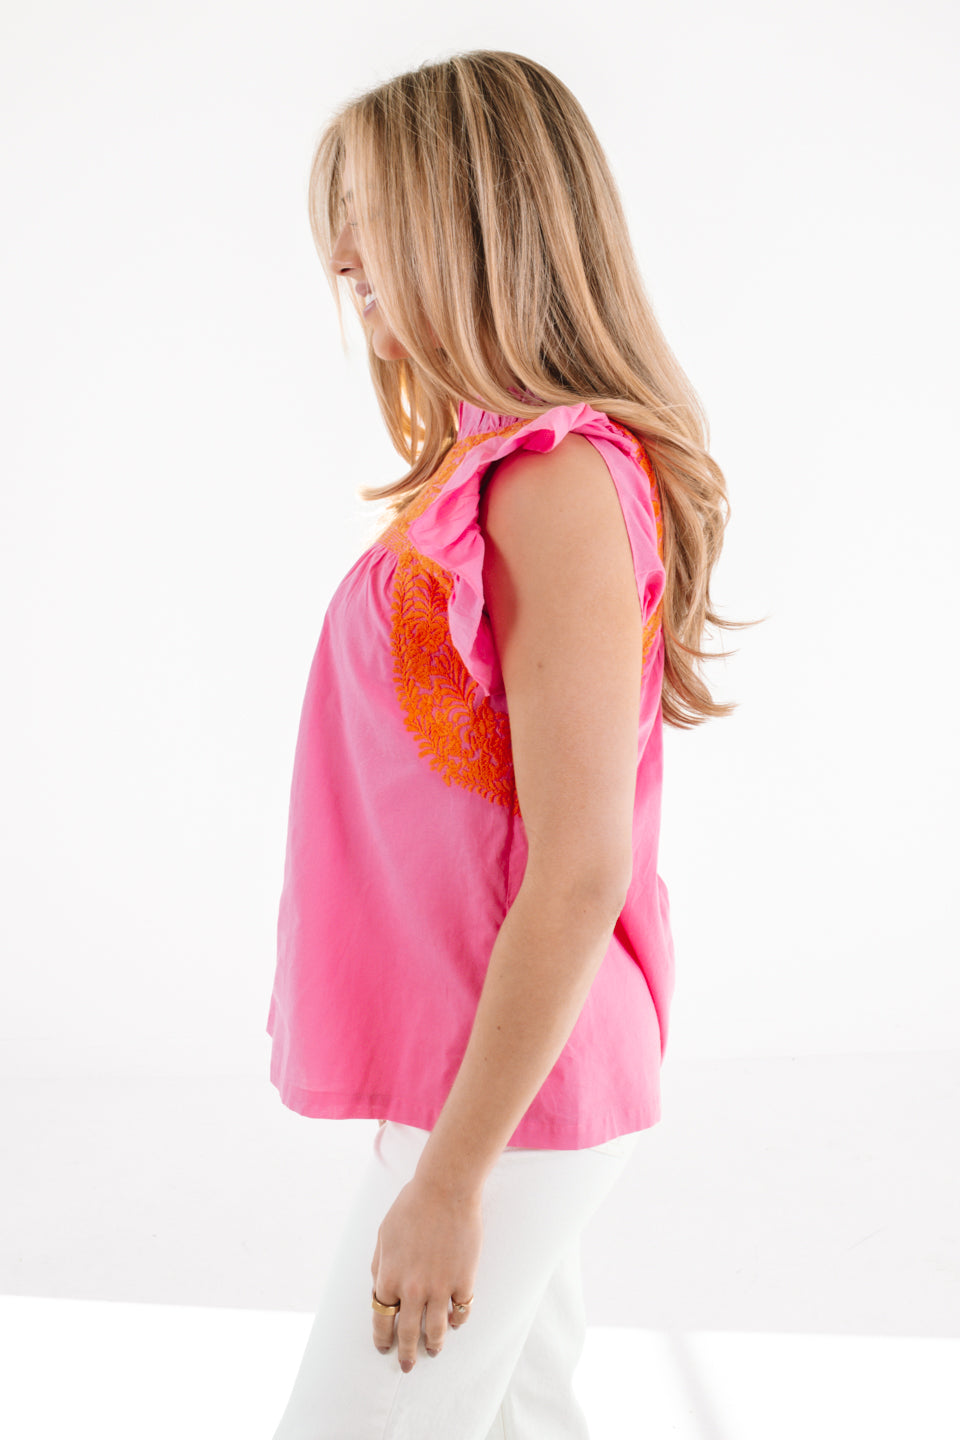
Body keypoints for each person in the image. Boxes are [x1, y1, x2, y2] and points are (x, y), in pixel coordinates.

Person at [265, 49, 750, 1440]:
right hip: (482, 1071)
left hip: (505, 1096)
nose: (343, 260)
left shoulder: (555, 483)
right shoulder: (496, 470)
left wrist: (452, 1179)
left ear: (469, 223)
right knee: (525, 1418)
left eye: (369, 218)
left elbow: (582, 866)